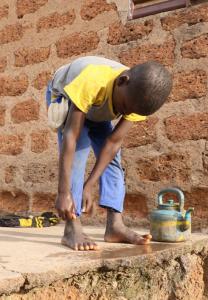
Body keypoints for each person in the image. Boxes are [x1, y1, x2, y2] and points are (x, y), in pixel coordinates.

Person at [45, 56, 172, 251]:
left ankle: (115, 225)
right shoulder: (92, 79)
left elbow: (112, 144)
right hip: (69, 96)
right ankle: (72, 227)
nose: (124, 113)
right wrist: (63, 192)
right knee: (77, 154)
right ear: (122, 81)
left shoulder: (138, 97)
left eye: (129, 112)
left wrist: (90, 185)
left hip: (98, 105)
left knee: (114, 162)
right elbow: (71, 136)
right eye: (123, 108)